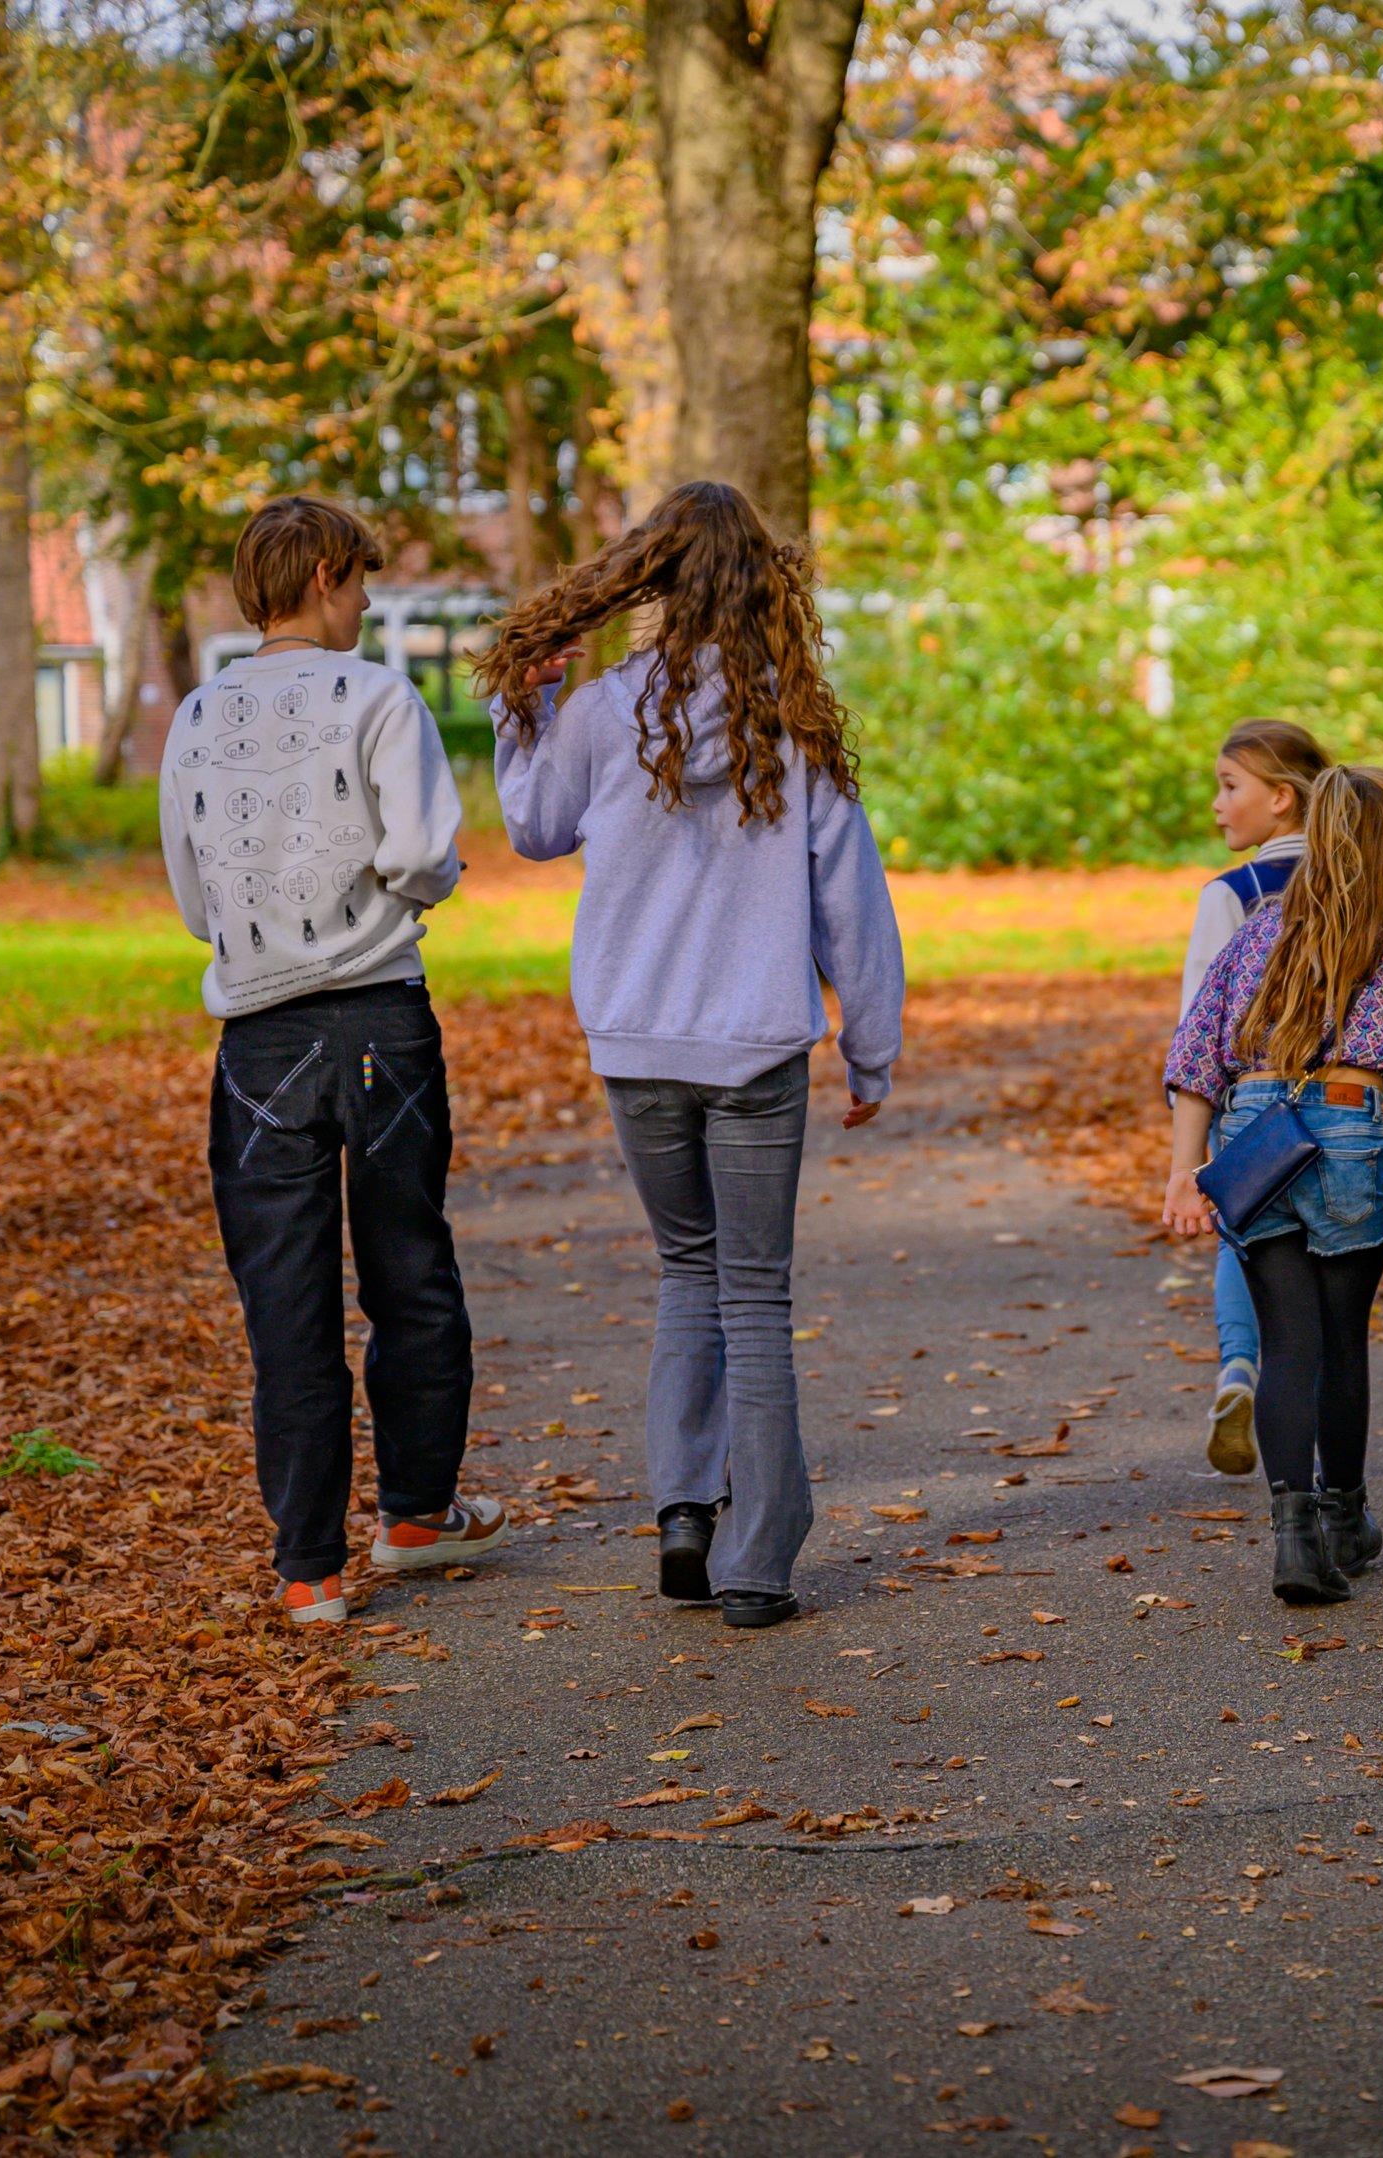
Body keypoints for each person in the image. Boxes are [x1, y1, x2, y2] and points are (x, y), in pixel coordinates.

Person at [475, 480, 904, 1631]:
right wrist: (871, 1047)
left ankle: (680, 1515)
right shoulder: (794, 721)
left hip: (638, 1043)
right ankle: (757, 1562)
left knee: (687, 1268)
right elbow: (853, 903)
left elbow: (533, 828)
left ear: (652, 579)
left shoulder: (602, 712)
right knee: (754, 1293)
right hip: (757, 1045)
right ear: (765, 584)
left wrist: (527, 708)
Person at [161, 496, 504, 1627]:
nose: (363, 603)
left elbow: (195, 899)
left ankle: (308, 1569)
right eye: (358, 581)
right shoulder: (378, 698)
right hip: (377, 1021)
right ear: (321, 575)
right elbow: (422, 852)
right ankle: (414, 1513)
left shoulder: (197, 716)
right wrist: (405, 897)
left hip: (260, 1034)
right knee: (408, 1268)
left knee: (286, 1296)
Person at [1161, 768, 1383, 1605]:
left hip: (1256, 1136)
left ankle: (1293, 1541)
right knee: (1341, 1341)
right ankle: (1344, 1518)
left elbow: (1195, 1057)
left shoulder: (1258, 936)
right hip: (1348, 1132)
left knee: (1286, 1343)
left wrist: (1183, 1169)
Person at [1179, 719, 1330, 1474]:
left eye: (1229, 785)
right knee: (1328, 1256)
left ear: (1280, 797)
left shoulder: (1231, 894)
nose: (1216, 803)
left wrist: (1187, 1139)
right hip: (1343, 1101)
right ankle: (1327, 1449)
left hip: (1250, 1102)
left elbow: (1197, 1029)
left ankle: (1240, 1366)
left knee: (1243, 1237)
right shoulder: (1354, 883)